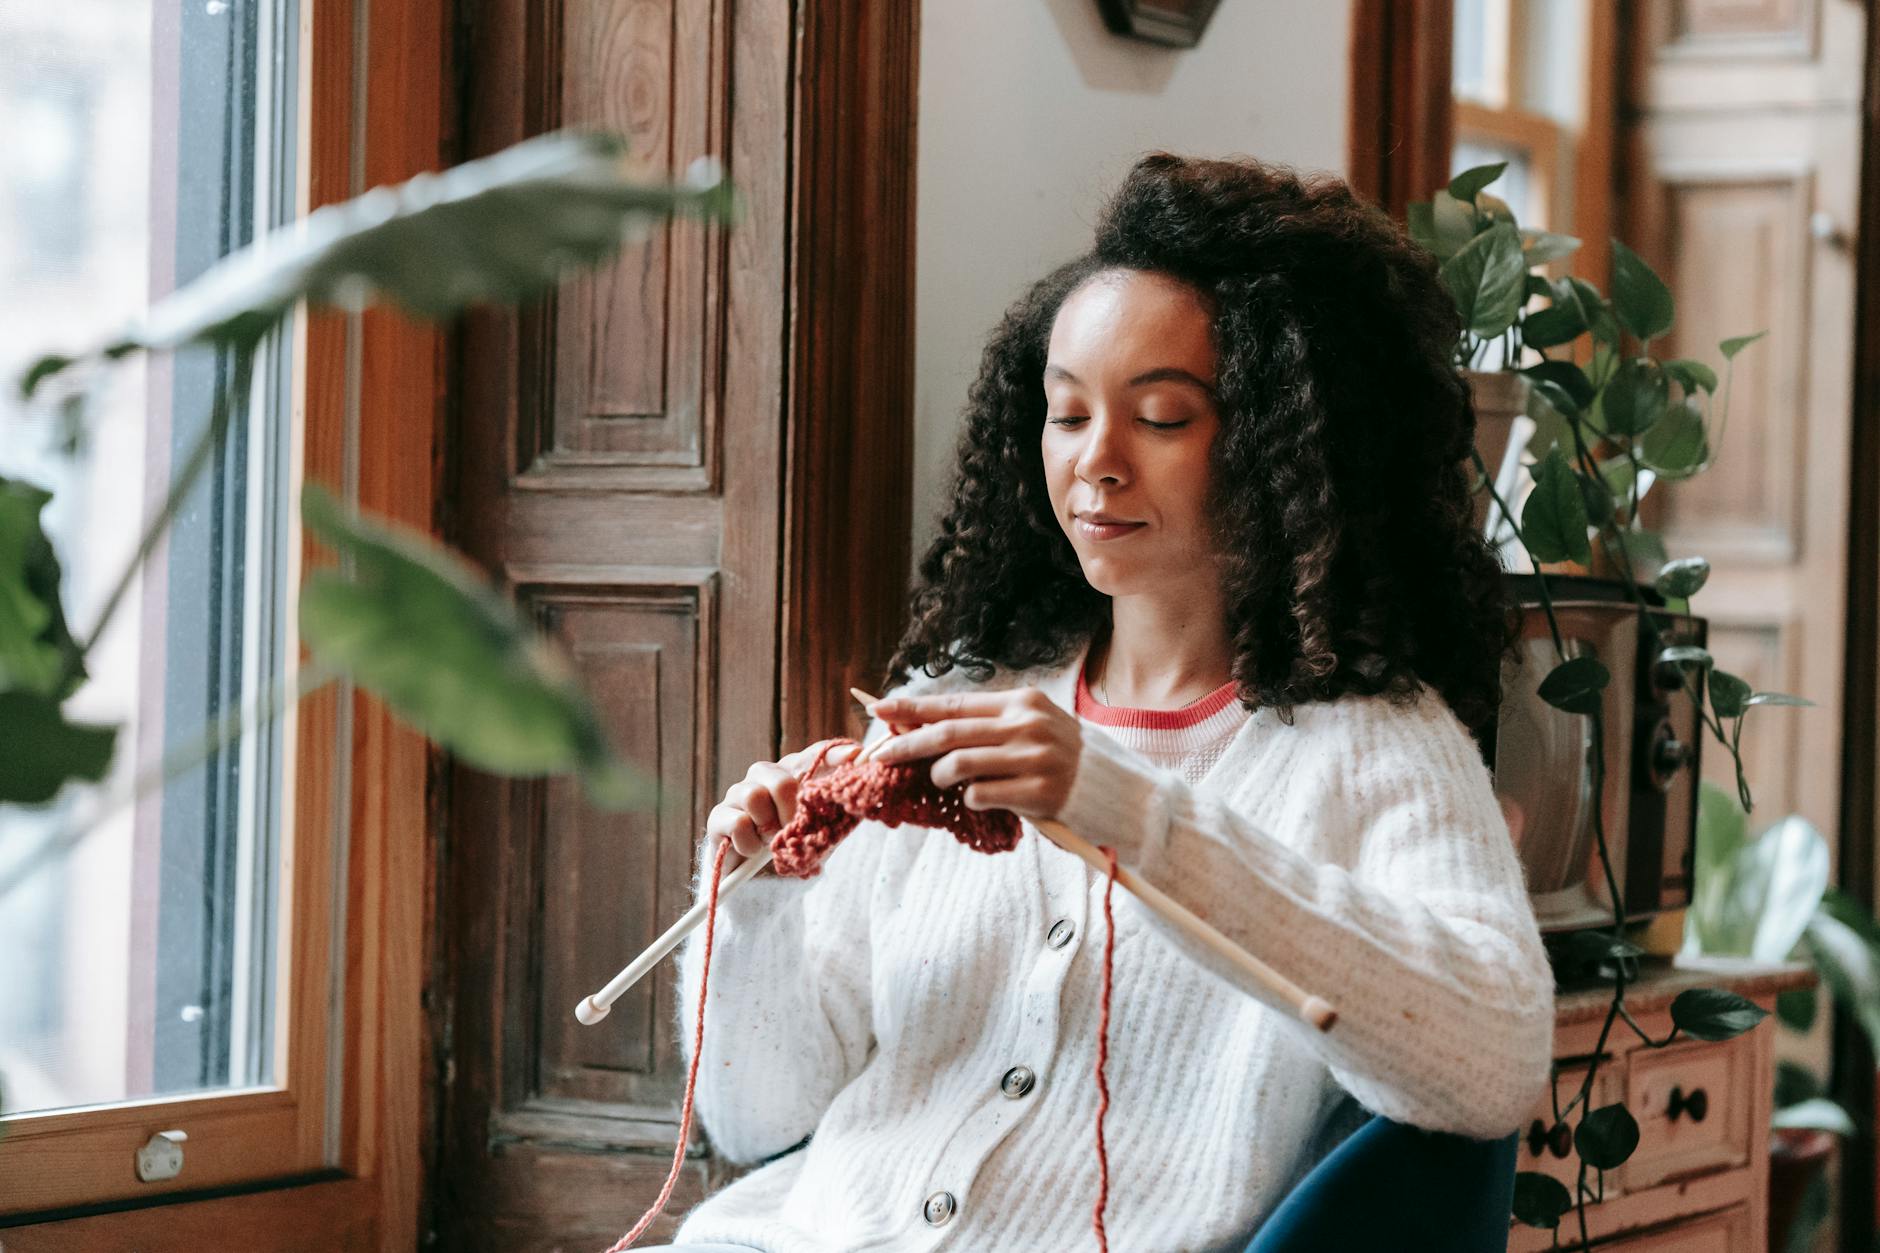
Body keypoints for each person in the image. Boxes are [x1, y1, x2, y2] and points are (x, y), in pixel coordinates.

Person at [645, 153, 1555, 1252]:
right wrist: (756, 901)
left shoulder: (1373, 751)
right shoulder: (958, 705)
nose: (1095, 464)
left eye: (1161, 418)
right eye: (1064, 414)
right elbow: (756, 1121)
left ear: (1289, 444)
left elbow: (1493, 1062)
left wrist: (1124, 810)